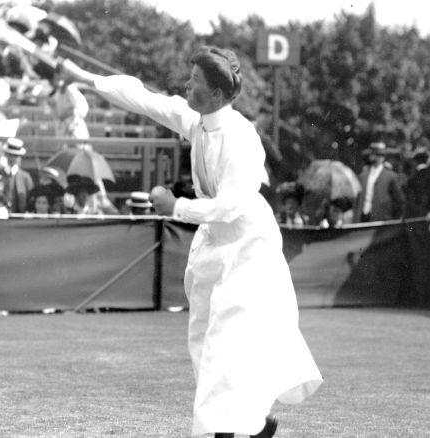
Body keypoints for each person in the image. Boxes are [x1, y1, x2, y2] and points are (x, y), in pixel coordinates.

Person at [60, 47, 322, 438]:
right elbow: (145, 99)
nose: (186, 85)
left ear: (216, 94)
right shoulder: (196, 120)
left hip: (250, 247)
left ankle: (225, 431)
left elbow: (230, 207)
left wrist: (175, 204)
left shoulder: (240, 137)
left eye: (195, 81)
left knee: (224, 344)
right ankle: (254, 419)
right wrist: (86, 78)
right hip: (213, 246)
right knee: (203, 341)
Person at [353, 141, 406, 222]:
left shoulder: (390, 176)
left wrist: (394, 218)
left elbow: (399, 200)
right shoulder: (363, 176)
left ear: (383, 157)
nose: (376, 157)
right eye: (374, 154)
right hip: (363, 217)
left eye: (379, 155)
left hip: (381, 219)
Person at [3, 137, 34, 213]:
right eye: (10, 155)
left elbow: (31, 198)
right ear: (6, 155)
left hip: (19, 217)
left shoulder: (25, 177)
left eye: (15, 156)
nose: (12, 158)